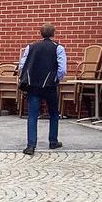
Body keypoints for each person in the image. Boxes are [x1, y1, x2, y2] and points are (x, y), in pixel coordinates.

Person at [19, 24, 67, 155]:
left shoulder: (31, 47)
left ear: (40, 34)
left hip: (33, 84)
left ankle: (31, 145)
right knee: (53, 114)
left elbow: (22, 65)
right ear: (54, 34)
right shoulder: (58, 48)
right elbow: (62, 69)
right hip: (50, 85)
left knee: (33, 115)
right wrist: (56, 78)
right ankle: (53, 141)